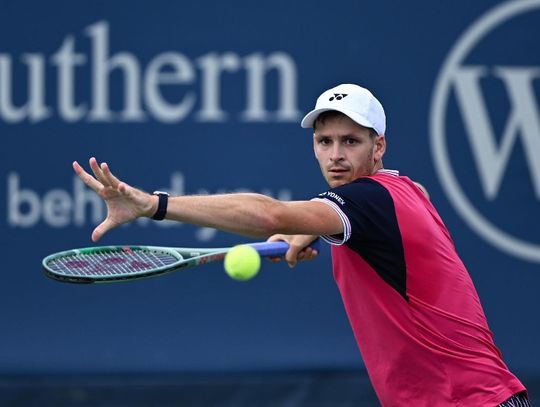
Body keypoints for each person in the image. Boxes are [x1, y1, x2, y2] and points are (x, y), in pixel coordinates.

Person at [74, 83, 529, 406]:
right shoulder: (402, 191)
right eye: (324, 141)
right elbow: (396, 208)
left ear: (379, 146)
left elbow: (270, 214)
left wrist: (154, 204)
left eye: (351, 142)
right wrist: (316, 226)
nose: (336, 155)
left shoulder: (367, 200)